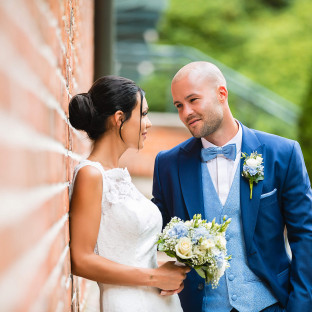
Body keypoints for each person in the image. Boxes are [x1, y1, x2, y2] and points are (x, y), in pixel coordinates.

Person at [152, 62, 312, 312]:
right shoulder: (168, 165)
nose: (186, 113)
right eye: (179, 106)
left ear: (221, 94)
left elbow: (305, 235)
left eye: (193, 100)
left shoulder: (283, 153)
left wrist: (301, 306)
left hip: (272, 304)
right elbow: (151, 232)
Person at [68, 75, 189, 312]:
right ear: (119, 118)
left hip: (158, 301)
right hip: (128, 304)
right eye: (143, 114)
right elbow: (80, 259)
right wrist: (154, 277)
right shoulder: (91, 175)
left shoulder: (119, 175)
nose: (149, 123)